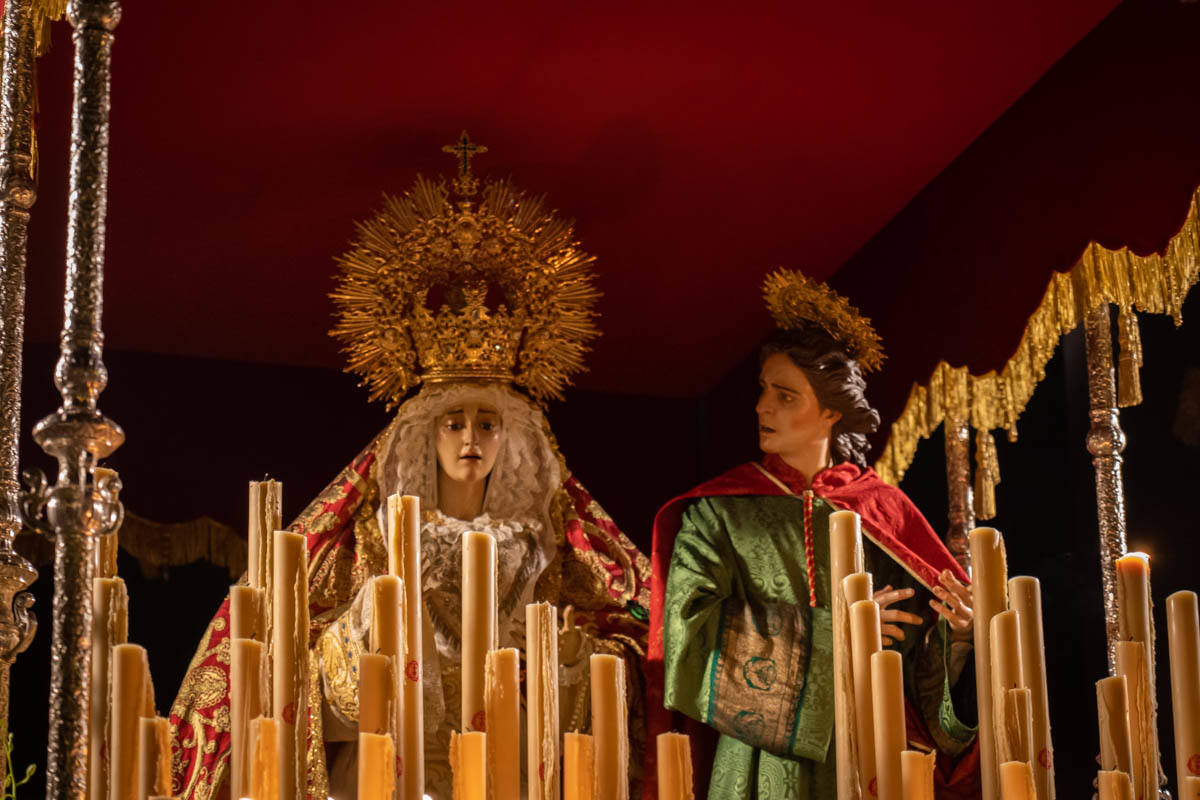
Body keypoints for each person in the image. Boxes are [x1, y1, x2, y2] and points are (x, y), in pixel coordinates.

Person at [168, 142, 651, 800]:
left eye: (488, 423)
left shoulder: (547, 537)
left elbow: (619, 631)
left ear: (512, 439)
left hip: (515, 764)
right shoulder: (373, 534)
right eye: (454, 423)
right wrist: (372, 631)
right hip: (390, 767)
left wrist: (570, 657)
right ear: (425, 438)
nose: (471, 438)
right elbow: (299, 655)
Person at [645, 270, 979, 800]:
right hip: (763, 761)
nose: (762, 407)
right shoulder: (720, 514)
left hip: (879, 741)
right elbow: (685, 632)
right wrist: (834, 635)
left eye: (785, 396)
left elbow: (920, 660)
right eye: (763, 391)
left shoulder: (885, 510)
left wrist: (958, 639)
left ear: (830, 412)